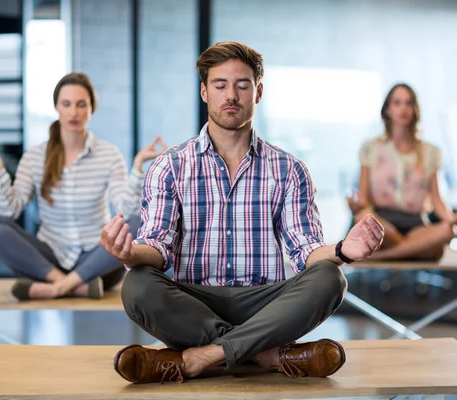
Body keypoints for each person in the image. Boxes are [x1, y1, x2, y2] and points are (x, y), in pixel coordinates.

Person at [99, 41, 384, 384]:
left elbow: (305, 250)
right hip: (194, 301)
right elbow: (157, 246)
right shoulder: (170, 166)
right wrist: (129, 252)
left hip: (264, 302)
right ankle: (266, 355)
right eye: (220, 85)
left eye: (242, 85)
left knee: (331, 278)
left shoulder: (289, 169)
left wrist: (342, 251)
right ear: (205, 92)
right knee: (138, 284)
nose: (230, 95)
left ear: (258, 92)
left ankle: (200, 358)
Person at [0, 72, 166, 300]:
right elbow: (8, 211)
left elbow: (127, 210)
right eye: (66, 104)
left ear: (91, 109)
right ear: (57, 108)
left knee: (138, 222)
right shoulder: (34, 156)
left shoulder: (109, 154)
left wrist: (139, 166)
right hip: (50, 259)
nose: (73, 112)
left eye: (81, 105)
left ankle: (55, 288)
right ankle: (72, 286)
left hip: (96, 263)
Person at [347, 83, 457, 261]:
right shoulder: (370, 148)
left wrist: (452, 218)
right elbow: (363, 198)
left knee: (449, 230)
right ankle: (412, 250)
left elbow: (437, 199)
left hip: (416, 225)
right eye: (397, 103)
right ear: (387, 109)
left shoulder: (431, 152)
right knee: (362, 217)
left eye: (408, 103)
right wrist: (356, 204)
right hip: (382, 222)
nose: (403, 108)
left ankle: (380, 256)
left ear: (415, 109)